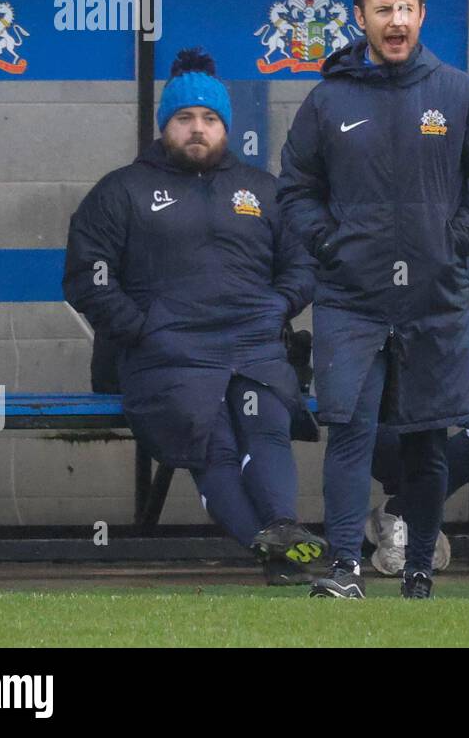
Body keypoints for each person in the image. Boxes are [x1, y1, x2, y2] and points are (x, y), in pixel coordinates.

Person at [277, 0, 469, 600]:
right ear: (359, 18)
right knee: (351, 431)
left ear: (421, 14)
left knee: (426, 437)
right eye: (382, 10)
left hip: (432, 297)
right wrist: (331, 245)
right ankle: (343, 570)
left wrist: (453, 242)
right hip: (350, 298)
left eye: (406, 9)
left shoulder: (458, 91)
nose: (396, 22)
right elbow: (296, 189)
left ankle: (417, 574)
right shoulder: (328, 98)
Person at [63, 49, 326, 584]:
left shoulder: (260, 189)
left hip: (253, 348)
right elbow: (87, 276)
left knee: (265, 424)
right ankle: (276, 552)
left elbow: (302, 263)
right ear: (165, 126)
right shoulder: (122, 190)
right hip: (168, 355)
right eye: (184, 119)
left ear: (226, 127)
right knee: (215, 444)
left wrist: (278, 306)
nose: (198, 130)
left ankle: (280, 528)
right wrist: (143, 328)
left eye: (209, 119)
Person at [365, 239, 469, 575]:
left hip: (449, 339)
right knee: (377, 422)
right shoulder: (376, 196)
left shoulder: (462, 200)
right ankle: (413, 522)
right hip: (379, 340)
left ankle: (402, 513)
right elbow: (360, 278)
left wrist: (410, 276)